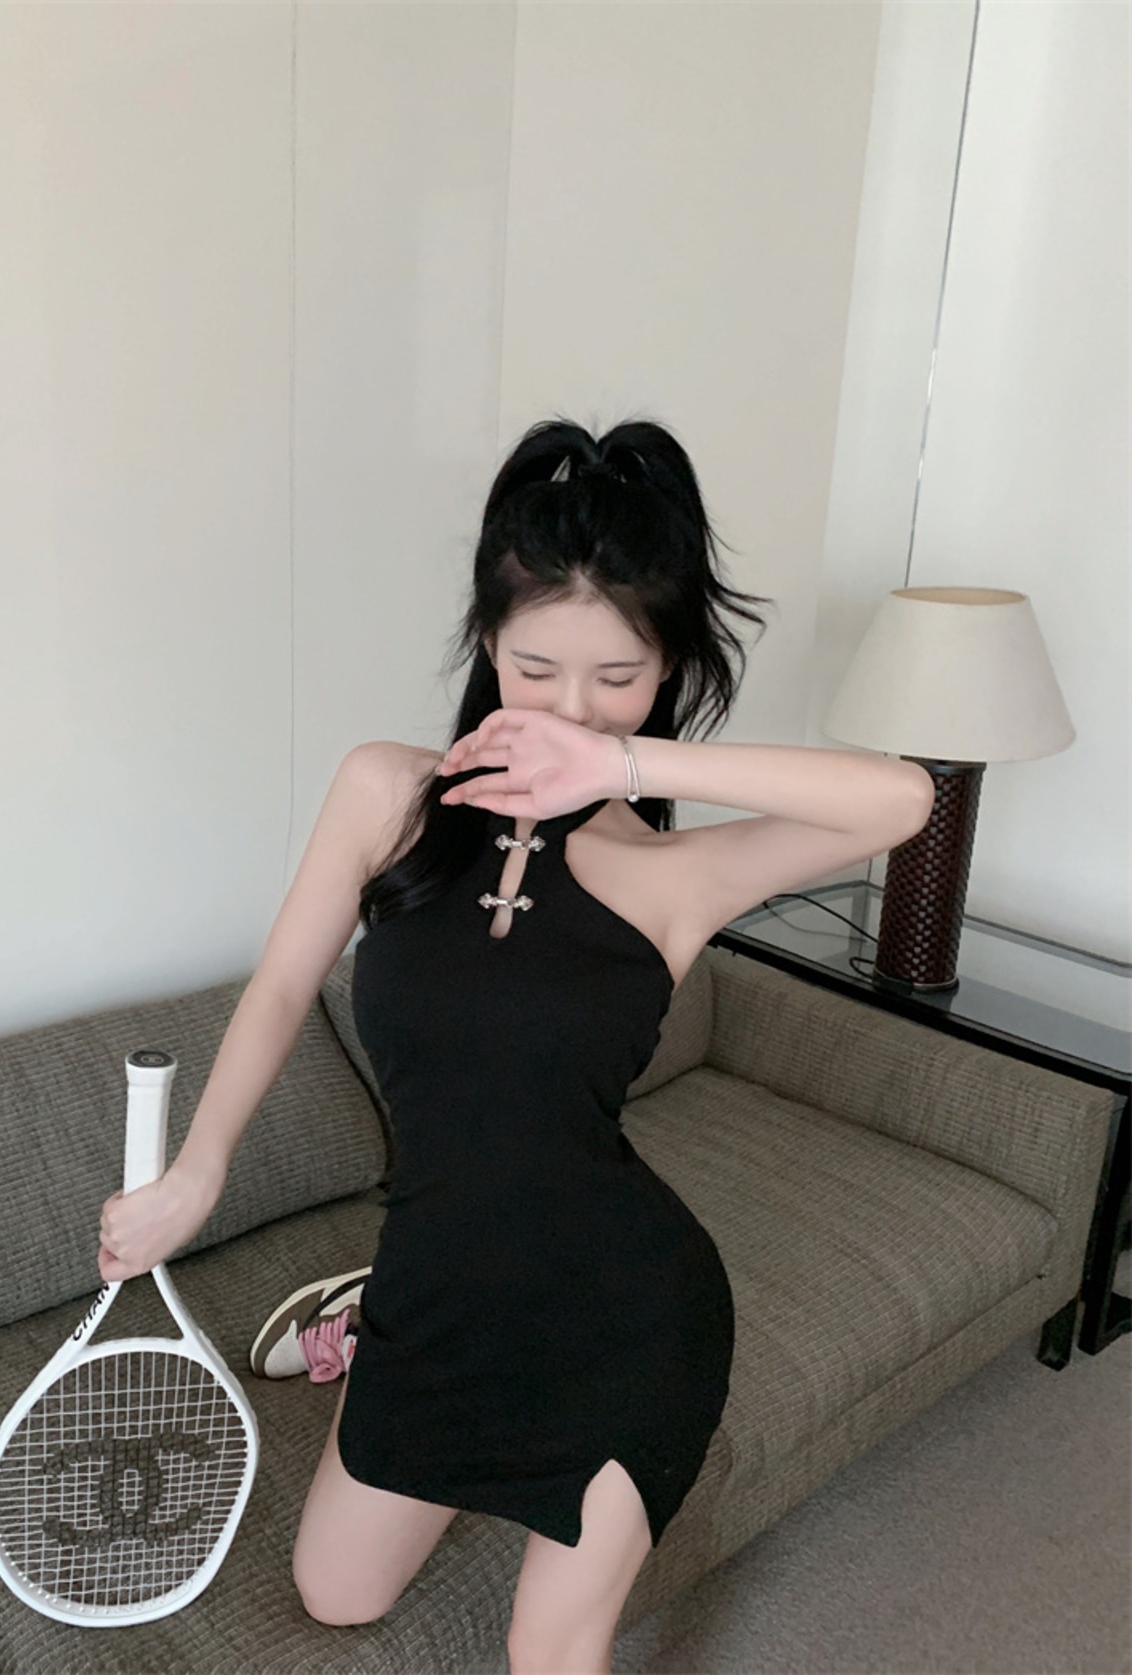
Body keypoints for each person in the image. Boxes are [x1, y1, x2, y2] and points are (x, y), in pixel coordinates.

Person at [97, 416, 934, 1674]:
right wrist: (196, 1174)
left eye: (617, 678)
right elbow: (278, 989)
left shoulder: (675, 874)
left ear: (666, 672)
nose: (569, 709)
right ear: (488, 644)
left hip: (619, 1309)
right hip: (438, 1281)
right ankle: (363, 1311)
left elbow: (902, 799)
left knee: (547, 1649)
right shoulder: (385, 792)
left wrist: (622, 764)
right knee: (334, 1594)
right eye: (536, 669)